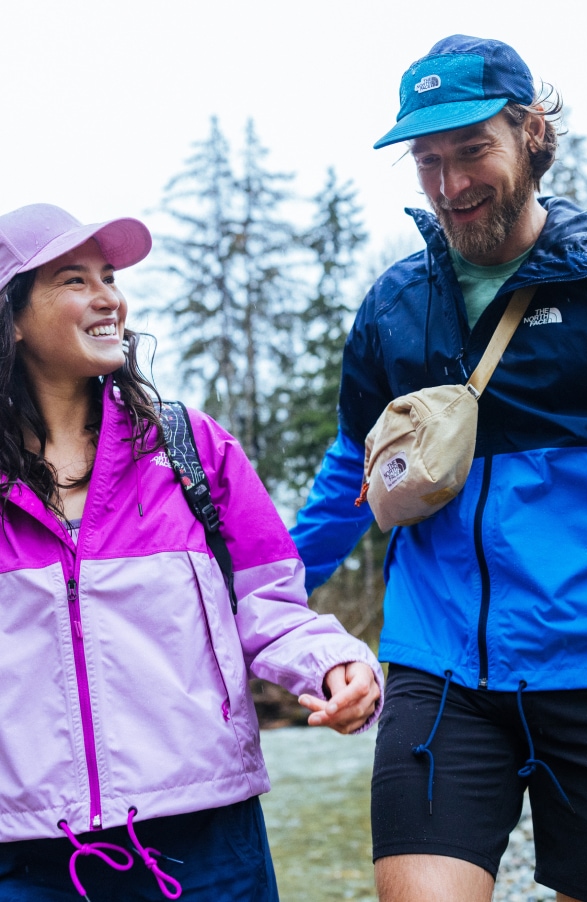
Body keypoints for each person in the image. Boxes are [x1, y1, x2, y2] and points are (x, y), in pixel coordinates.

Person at [289, 34, 587, 902]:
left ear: (530, 133)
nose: (450, 184)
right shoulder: (396, 307)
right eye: (427, 160)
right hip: (440, 675)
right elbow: (347, 473)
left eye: (472, 149)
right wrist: (267, 599)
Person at [0, 202, 383, 901]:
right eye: (73, 279)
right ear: (14, 319)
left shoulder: (191, 450)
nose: (108, 296)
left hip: (206, 843)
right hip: (26, 858)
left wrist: (334, 663)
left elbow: (269, 606)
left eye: (109, 276)